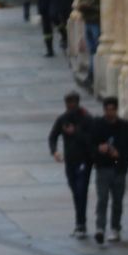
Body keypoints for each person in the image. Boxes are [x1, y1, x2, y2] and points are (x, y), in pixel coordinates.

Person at [90, 97, 128, 244]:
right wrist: (99, 149)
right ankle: (100, 228)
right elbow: (89, 145)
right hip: (103, 167)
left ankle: (115, 227)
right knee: (102, 199)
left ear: (116, 110)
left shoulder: (125, 127)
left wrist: (119, 154)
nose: (109, 113)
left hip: (119, 168)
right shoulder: (98, 125)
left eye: (112, 110)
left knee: (117, 200)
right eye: (107, 110)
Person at [49, 91, 94, 238]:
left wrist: (75, 132)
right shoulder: (63, 119)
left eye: (73, 103)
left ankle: (81, 223)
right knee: (75, 191)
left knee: (81, 191)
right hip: (70, 161)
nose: (70, 106)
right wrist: (54, 151)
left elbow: (91, 139)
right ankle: (79, 222)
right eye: (68, 103)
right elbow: (53, 136)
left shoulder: (86, 118)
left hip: (84, 161)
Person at [75, 0, 101, 85]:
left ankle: (93, 73)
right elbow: (79, 6)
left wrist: (90, 7)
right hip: (88, 22)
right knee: (91, 49)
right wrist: (81, 7)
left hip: (95, 22)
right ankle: (91, 73)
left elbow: (101, 7)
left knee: (96, 48)